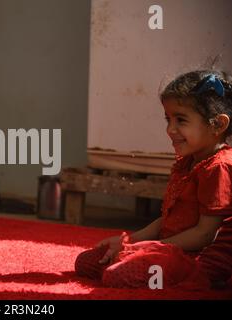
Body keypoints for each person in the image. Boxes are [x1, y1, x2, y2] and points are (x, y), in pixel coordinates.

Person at [75, 70, 232, 289]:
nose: (170, 129)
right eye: (168, 119)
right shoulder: (187, 162)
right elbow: (167, 222)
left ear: (218, 125)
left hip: (198, 259)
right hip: (170, 249)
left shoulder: (219, 167)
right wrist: (129, 242)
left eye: (181, 120)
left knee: (118, 275)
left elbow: (205, 234)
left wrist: (145, 248)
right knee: (86, 262)